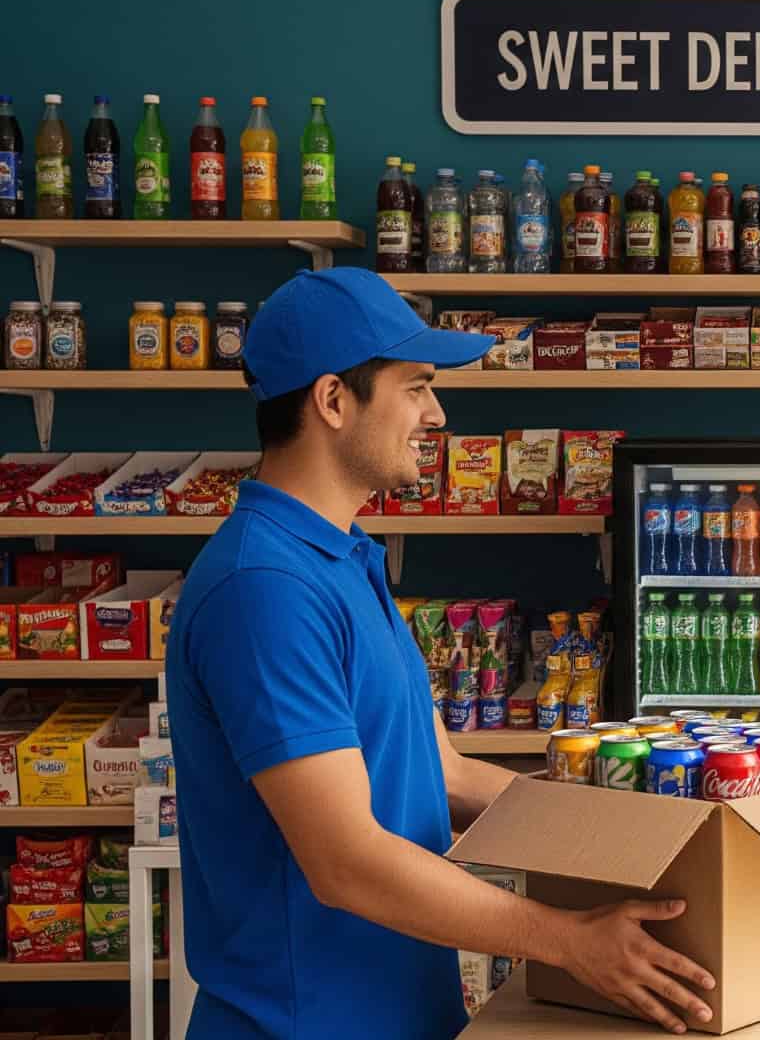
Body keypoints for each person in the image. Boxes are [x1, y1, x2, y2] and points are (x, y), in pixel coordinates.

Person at [166, 268, 714, 1039]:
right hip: (305, 1024)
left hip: (400, 1011)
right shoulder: (266, 588)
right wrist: (568, 940)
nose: (437, 413)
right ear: (332, 400)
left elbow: (444, 774)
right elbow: (345, 859)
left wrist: (641, 830)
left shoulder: (343, 559)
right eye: (417, 386)